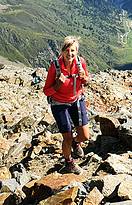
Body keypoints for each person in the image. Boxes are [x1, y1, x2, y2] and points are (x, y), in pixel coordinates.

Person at [43, 36, 90, 174]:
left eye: (73, 51)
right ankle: (68, 161)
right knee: (67, 137)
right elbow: (46, 91)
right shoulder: (55, 66)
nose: (70, 54)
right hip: (59, 104)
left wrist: (84, 78)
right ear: (62, 51)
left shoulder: (81, 63)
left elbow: (86, 80)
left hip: (76, 100)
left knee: (85, 136)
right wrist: (57, 86)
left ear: (77, 51)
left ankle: (76, 142)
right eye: (67, 50)